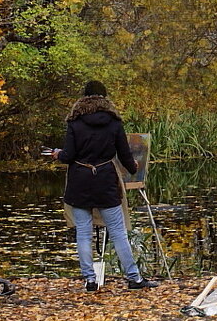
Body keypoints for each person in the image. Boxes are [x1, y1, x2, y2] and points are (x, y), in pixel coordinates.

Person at [57, 80, 158, 292]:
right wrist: (133, 167)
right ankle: (134, 279)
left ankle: (90, 281)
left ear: (84, 97)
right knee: (118, 233)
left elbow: (68, 156)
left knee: (83, 233)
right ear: (105, 98)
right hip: (105, 180)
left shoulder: (74, 123)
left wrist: (58, 154)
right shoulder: (114, 123)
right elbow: (124, 154)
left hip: (79, 181)